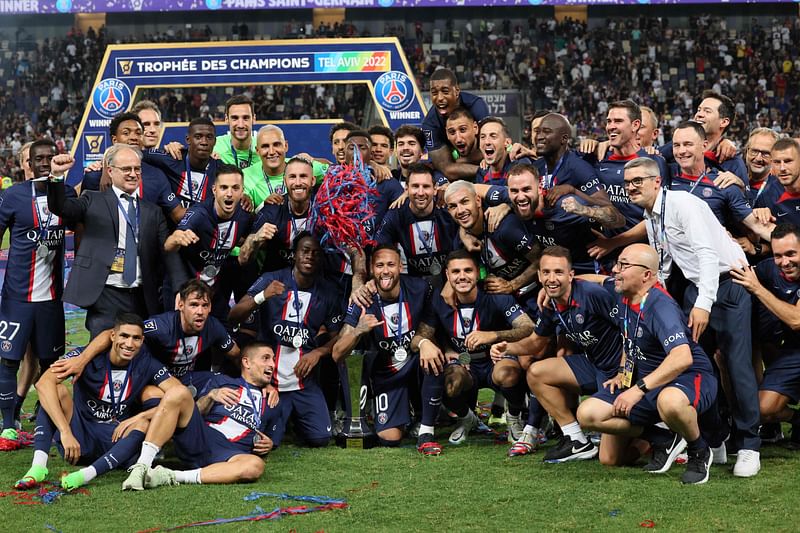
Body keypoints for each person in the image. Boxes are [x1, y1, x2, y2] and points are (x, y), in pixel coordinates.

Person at [625, 156, 762, 477]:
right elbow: (669, 259)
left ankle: (750, 445)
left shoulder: (682, 204)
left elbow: (706, 253)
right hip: (694, 287)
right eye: (627, 182)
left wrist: (703, 303)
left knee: (736, 364)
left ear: (656, 181)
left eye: (638, 181)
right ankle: (716, 438)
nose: (631, 187)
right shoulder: (652, 214)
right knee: (699, 365)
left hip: (729, 283)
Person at [576, 244, 718, 485]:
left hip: (687, 377)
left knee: (669, 402)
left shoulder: (660, 307)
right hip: (649, 381)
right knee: (588, 414)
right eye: (617, 263)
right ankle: (663, 438)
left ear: (647, 276)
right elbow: (597, 280)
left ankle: (699, 450)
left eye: (623, 265)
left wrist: (637, 390)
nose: (615, 271)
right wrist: (562, 285)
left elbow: (683, 357)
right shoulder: (624, 292)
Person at [15, 314, 181, 491]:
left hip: (116, 437)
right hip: (78, 437)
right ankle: (38, 467)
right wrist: (65, 431)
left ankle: (86, 475)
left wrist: (139, 416)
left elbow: (178, 395)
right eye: (124, 336)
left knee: (144, 417)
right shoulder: (84, 357)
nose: (129, 344)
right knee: (55, 392)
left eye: (136, 338)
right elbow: (43, 383)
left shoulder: (147, 363)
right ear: (112, 336)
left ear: (142, 340)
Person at [491, 246, 620, 461]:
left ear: (571, 275)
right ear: (539, 275)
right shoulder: (551, 303)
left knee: (611, 458)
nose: (552, 278)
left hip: (618, 374)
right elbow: (535, 342)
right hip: (593, 365)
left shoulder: (592, 294)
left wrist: (624, 372)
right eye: (547, 272)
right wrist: (507, 347)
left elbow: (628, 331)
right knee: (537, 372)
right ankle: (577, 440)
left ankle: (662, 433)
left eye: (559, 272)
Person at [46, 147, 180, 338]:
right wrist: (57, 176)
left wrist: (179, 289)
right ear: (110, 171)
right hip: (105, 292)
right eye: (126, 169)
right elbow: (62, 207)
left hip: (142, 294)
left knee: (138, 352)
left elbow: (168, 252)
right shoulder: (92, 199)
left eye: (137, 169)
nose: (133, 174)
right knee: (102, 352)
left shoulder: (153, 211)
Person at [229, 232, 343, 448]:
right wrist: (263, 296)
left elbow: (337, 338)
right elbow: (234, 315)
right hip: (270, 383)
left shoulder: (328, 292)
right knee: (265, 441)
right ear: (294, 255)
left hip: (303, 383)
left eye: (316, 253)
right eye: (305, 251)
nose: (310, 256)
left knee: (320, 439)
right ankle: (280, 417)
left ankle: (297, 419)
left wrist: (318, 352)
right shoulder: (272, 279)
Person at [120, 342, 277, 490]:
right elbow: (196, 410)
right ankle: (141, 467)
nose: (272, 364)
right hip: (202, 436)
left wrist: (269, 444)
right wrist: (210, 396)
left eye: (273, 360)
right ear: (247, 362)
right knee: (179, 392)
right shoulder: (221, 380)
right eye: (266, 358)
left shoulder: (273, 400)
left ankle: (168, 476)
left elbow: (270, 439)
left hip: (231, 453)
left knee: (255, 466)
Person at [416, 250, 534, 445]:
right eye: (456, 272)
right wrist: (424, 343)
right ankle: (467, 418)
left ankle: (513, 417)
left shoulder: (495, 296)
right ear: (447, 275)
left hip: (494, 360)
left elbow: (527, 327)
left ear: (478, 272)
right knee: (449, 382)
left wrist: (494, 335)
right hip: (464, 364)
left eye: (467, 270)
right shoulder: (438, 300)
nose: (462, 276)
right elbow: (421, 334)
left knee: (508, 374)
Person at [333, 246, 443, 453]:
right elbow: (337, 354)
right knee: (389, 438)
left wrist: (423, 342)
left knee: (432, 353)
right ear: (372, 269)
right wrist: (358, 330)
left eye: (391, 265)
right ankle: (405, 411)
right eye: (380, 265)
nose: (385, 271)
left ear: (400, 266)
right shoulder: (362, 300)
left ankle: (426, 430)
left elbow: (428, 328)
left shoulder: (420, 289)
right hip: (386, 375)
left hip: (412, 363)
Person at [0, 139, 75, 439]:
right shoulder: (14, 195)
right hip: (18, 298)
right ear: (29, 164)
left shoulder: (65, 194)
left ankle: (47, 424)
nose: (45, 163)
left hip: (52, 300)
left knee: (51, 365)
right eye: (39, 159)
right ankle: (8, 426)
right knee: (8, 360)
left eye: (49, 157)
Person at [731, 224, 800, 445]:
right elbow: (742, 274)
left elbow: (796, 320)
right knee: (762, 409)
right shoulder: (769, 269)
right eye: (779, 255)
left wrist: (757, 289)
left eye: (791, 254)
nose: (785, 262)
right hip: (794, 352)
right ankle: (797, 419)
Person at [165, 164, 253, 314]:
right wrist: (177, 238)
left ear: (242, 191)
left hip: (215, 289)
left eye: (235, 188)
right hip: (184, 286)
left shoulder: (245, 217)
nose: (229, 194)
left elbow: (249, 242)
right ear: (214, 190)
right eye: (224, 187)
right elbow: (168, 246)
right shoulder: (199, 214)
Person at [81, 112, 183, 224]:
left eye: (138, 133)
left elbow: (177, 213)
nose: (134, 137)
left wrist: (202, 209)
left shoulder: (156, 174)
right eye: (126, 133)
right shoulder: (95, 176)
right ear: (114, 140)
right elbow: (82, 223)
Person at [375, 163, 457, 280]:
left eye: (426, 186)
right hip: (415, 281)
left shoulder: (447, 209)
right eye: (415, 186)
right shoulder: (396, 214)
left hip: (452, 280)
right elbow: (379, 250)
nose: (420, 192)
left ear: (435, 189)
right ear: (406, 189)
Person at [239, 157, 310, 273]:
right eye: (292, 177)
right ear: (284, 180)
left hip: (314, 282)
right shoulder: (272, 210)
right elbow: (243, 259)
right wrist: (256, 239)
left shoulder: (323, 210)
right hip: (275, 280)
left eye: (303, 176)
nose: (298, 183)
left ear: (312, 180)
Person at [421, 68, 489, 179]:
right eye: (434, 93)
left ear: (457, 91)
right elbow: (447, 169)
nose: (440, 98)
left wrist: (461, 161)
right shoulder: (430, 124)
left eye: (445, 91)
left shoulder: (476, 106)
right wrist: (484, 171)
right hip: (468, 172)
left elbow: (491, 149)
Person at [143, 117, 219, 209]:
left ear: (215, 141)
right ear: (188, 139)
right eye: (198, 137)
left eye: (209, 137)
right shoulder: (171, 158)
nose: (204, 142)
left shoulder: (221, 170)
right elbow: (135, 154)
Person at [249, 124, 328, 209]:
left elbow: (338, 172)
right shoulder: (246, 177)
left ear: (285, 146)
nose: (271, 151)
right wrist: (263, 206)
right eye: (265, 146)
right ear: (257, 151)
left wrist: (313, 159)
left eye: (276, 145)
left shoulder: (303, 166)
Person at [475, 117, 533, 186]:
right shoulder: (482, 171)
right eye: (483, 137)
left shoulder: (520, 164)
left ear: (507, 142)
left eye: (493, 136)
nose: (487, 142)